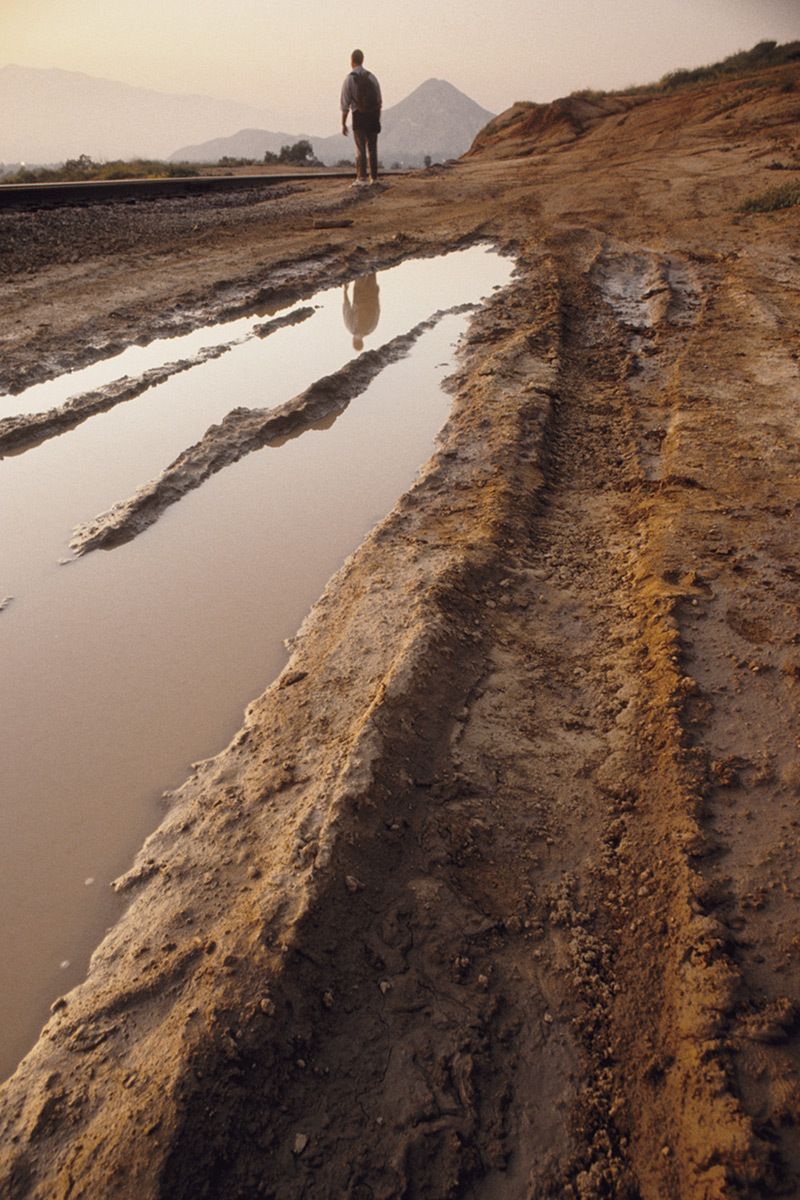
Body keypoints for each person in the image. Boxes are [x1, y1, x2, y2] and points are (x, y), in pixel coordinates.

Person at [341, 49, 382, 186]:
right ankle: (374, 178)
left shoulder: (349, 79)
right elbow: (379, 100)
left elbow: (345, 104)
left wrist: (343, 123)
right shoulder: (372, 77)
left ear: (351, 61)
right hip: (372, 115)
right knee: (372, 148)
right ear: (363, 60)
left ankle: (362, 178)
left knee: (360, 148)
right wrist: (377, 116)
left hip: (358, 115)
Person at [342, 273, 381, 350]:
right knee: (360, 271)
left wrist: (376, 294)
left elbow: (378, 310)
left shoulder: (371, 329)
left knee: (372, 271)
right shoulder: (352, 328)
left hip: (372, 296)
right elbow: (346, 309)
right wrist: (345, 291)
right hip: (359, 296)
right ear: (353, 341)